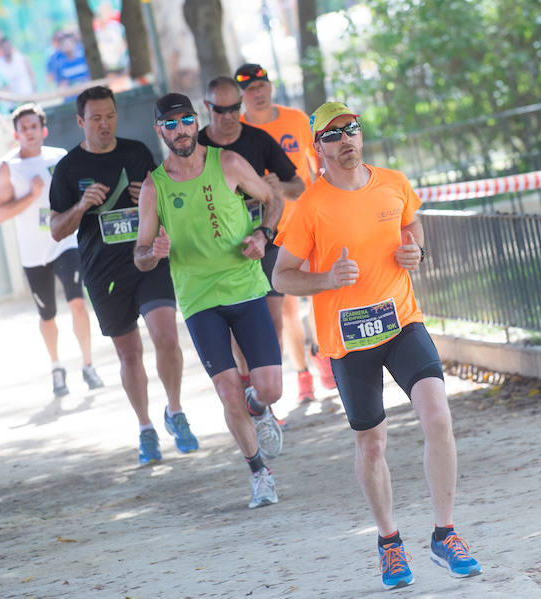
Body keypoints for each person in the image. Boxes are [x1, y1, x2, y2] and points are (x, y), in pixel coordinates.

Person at [272, 101, 482, 589]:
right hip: (348, 340)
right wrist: (325, 278)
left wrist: (417, 249)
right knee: (372, 444)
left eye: (352, 129)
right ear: (318, 147)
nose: (346, 139)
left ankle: (445, 534)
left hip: (402, 321)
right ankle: (390, 544)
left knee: (438, 416)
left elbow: (412, 226)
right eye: (333, 134)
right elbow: (283, 276)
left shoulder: (393, 182)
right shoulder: (311, 207)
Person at [135, 93, 284, 509]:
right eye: (171, 124)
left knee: (269, 388)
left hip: (245, 287)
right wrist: (153, 254)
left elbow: (272, 198)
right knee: (227, 392)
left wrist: (262, 235)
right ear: (159, 130)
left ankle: (260, 408)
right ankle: (259, 473)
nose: (180, 130)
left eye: (186, 121)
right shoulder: (154, 186)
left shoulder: (228, 163)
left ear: (195, 121)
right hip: (200, 300)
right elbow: (140, 254)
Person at [49, 86, 197, 465]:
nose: (104, 124)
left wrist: (147, 198)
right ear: (80, 121)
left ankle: (176, 411)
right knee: (129, 353)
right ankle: (146, 428)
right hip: (104, 272)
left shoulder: (137, 152)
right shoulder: (69, 168)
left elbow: (164, 202)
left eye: (110, 115)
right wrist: (82, 205)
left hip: (147, 257)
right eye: (95, 118)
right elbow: (56, 229)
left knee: (166, 335)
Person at [197, 76, 304, 421]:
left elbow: (298, 186)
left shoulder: (258, 139)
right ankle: (250, 391)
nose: (228, 116)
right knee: (238, 328)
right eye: (220, 109)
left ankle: (263, 399)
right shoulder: (195, 146)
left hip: (265, 237)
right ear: (206, 107)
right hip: (221, 250)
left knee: (273, 320)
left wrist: (279, 185)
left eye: (233, 109)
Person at [235, 62, 335, 401]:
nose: (258, 93)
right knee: (288, 307)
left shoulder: (295, 119)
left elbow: (319, 163)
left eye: (261, 86)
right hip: (268, 230)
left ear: (270, 86)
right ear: (241, 96)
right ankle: (303, 372)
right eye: (250, 90)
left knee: (320, 293)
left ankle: (323, 354)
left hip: (306, 221)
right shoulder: (238, 128)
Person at [0, 103, 104, 396]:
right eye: (23, 128)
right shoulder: (8, 166)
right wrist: (30, 195)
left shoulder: (61, 158)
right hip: (33, 252)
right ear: (16, 134)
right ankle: (57, 367)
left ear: (43, 130)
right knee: (48, 316)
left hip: (65, 242)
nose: (29, 133)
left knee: (78, 303)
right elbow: (0, 214)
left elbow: (79, 193)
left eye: (33, 127)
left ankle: (88, 365)